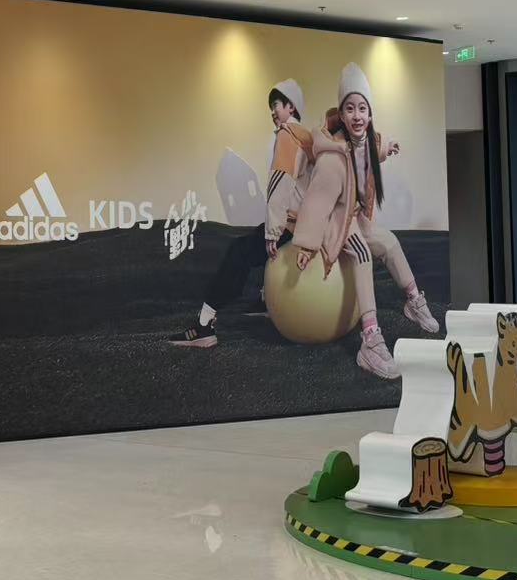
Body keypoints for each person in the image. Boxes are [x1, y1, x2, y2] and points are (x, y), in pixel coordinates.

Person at [291, 63, 438, 378]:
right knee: (362, 255)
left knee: (390, 242)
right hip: (336, 222)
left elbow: (370, 150)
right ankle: (370, 340)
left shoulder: (366, 143)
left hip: (356, 217)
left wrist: (387, 148)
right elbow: (316, 204)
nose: (357, 115)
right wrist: (306, 245)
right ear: (341, 115)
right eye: (350, 109)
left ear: (370, 114)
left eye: (362, 108)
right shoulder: (331, 158)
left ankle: (414, 300)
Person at [171, 79, 315, 348]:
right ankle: (264, 300)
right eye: (271, 107)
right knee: (252, 245)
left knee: (238, 252)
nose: (272, 112)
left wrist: (273, 232)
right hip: (305, 226)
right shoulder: (307, 138)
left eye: (276, 105)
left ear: (291, 106)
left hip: (290, 226)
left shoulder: (288, 135)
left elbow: (280, 183)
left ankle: (204, 326)